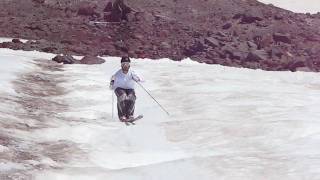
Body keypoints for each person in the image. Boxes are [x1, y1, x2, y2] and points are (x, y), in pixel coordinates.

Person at [109, 56, 142, 121]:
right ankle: (122, 115)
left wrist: (137, 79)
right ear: (121, 65)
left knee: (131, 97)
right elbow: (111, 85)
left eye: (127, 64)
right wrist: (112, 83)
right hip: (119, 88)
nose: (125, 66)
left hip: (130, 89)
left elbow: (141, 79)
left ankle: (130, 115)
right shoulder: (117, 74)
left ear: (129, 65)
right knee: (123, 96)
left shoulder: (132, 73)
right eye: (123, 64)